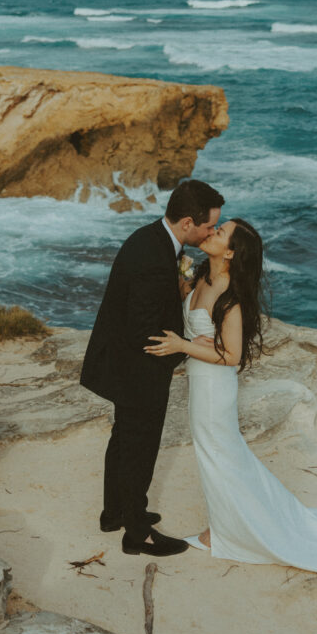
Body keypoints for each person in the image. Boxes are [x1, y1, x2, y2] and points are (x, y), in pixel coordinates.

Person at [145, 218, 317, 573]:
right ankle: (224, 525)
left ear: (231, 252)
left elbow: (234, 355)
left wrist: (181, 345)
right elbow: (190, 308)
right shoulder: (202, 280)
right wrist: (178, 285)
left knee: (219, 455)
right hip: (201, 382)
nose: (211, 232)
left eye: (219, 232)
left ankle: (224, 531)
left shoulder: (229, 296)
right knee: (219, 455)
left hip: (214, 388)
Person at [81, 179, 225, 557]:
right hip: (136, 369)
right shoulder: (152, 258)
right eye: (210, 225)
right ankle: (137, 532)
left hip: (123, 363)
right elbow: (145, 328)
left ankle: (115, 513)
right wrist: (185, 348)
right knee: (139, 447)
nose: (212, 232)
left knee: (124, 440)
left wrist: (176, 291)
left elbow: (147, 303)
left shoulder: (153, 240)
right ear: (189, 223)